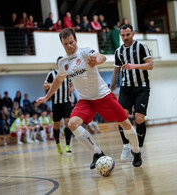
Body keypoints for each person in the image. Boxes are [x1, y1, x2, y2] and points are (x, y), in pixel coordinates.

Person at [36, 28, 142, 169]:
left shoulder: (85, 52)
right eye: (66, 44)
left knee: (126, 125)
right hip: (86, 101)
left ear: (76, 40)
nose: (69, 46)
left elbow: (102, 57)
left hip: (103, 96)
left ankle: (136, 151)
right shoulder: (63, 63)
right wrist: (46, 96)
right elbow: (58, 80)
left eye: (71, 42)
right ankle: (97, 153)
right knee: (72, 124)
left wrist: (96, 61)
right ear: (62, 44)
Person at [110, 24, 153, 161]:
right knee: (120, 117)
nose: (125, 37)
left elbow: (150, 65)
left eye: (128, 35)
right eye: (123, 35)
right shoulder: (118, 51)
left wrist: (134, 65)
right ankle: (126, 146)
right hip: (126, 88)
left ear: (133, 34)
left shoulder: (141, 47)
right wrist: (111, 89)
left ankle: (139, 149)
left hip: (142, 87)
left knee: (139, 118)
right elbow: (116, 72)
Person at [43, 56, 74, 154]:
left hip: (66, 102)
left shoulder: (69, 73)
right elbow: (44, 85)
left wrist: (72, 87)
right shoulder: (51, 74)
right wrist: (51, 85)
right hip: (56, 103)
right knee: (56, 125)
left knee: (67, 123)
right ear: (57, 64)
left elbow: (72, 84)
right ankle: (57, 144)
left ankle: (68, 145)